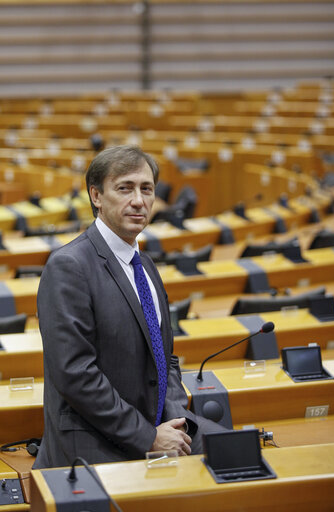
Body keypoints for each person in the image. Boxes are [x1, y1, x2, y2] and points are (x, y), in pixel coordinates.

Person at [34, 145, 224, 469]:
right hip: (97, 438)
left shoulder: (145, 265)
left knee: (241, 454)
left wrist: (175, 421)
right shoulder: (69, 266)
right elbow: (75, 375)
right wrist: (148, 437)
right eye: (125, 188)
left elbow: (167, 360)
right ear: (96, 196)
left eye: (146, 189)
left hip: (157, 424)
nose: (139, 201)